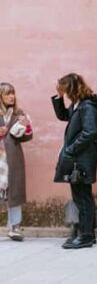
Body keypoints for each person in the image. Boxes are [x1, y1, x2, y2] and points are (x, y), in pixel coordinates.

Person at [52, 73, 97, 249]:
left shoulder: (87, 106)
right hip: (78, 157)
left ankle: (86, 236)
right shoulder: (78, 105)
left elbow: (89, 132)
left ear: (72, 89)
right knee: (81, 195)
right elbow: (63, 116)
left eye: (65, 90)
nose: (64, 93)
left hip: (82, 158)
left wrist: (70, 149)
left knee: (83, 197)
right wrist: (58, 98)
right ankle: (87, 234)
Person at [0, 83, 33, 241]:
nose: (12, 96)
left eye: (13, 93)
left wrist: (26, 125)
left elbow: (27, 137)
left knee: (14, 192)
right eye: (8, 94)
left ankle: (15, 227)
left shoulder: (19, 113)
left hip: (13, 158)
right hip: (0, 159)